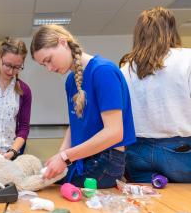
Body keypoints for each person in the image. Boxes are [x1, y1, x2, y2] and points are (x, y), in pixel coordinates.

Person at [30, 25, 136, 188]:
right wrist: (60, 155)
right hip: (82, 159)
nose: (49, 68)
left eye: (49, 60)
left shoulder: (103, 71)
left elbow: (115, 132)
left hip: (105, 162)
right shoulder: (71, 81)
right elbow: (75, 125)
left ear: (63, 42)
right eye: (44, 65)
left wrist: (65, 157)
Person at [120, 6, 191, 183]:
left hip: (136, 150)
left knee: (149, 204)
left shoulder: (125, 69)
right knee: (182, 203)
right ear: (171, 30)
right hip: (179, 150)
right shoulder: (187, 59)